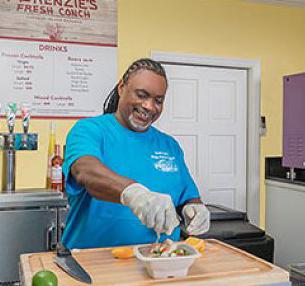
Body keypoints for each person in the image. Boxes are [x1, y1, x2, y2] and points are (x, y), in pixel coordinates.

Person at [62, 58, 210, 249]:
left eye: (158, 100)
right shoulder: (90, 130)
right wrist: (135, 194)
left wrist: (194, 209)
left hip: (159, 262)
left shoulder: (169, 145)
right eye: (142, 95)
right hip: (93, 263)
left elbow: (187, 195)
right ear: (122, 88)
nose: (149, 106)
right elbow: (85, 171)